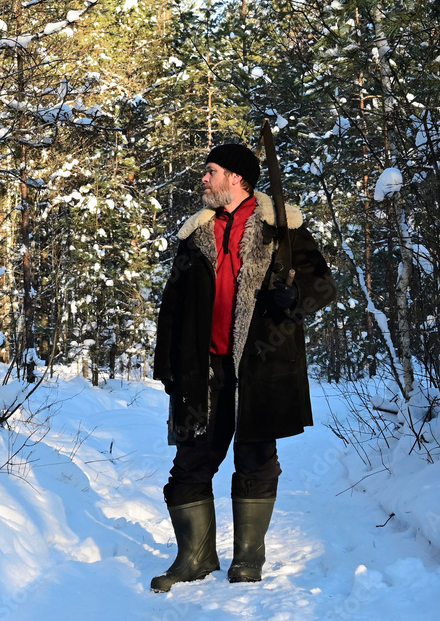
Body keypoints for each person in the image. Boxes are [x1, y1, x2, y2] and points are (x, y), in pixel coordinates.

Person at [151, 143, 336, 592]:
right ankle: (194, 557)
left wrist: (294, 301)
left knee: (255, 456)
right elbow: (172, 306)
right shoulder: (195, 235)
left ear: (237, 178)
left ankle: (248, 558)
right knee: (191, 458)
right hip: (203, 367)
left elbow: (322, 287)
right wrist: (168, 365)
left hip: (260, 363)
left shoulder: (281, 229)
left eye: (210, 172)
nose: (203, 180)